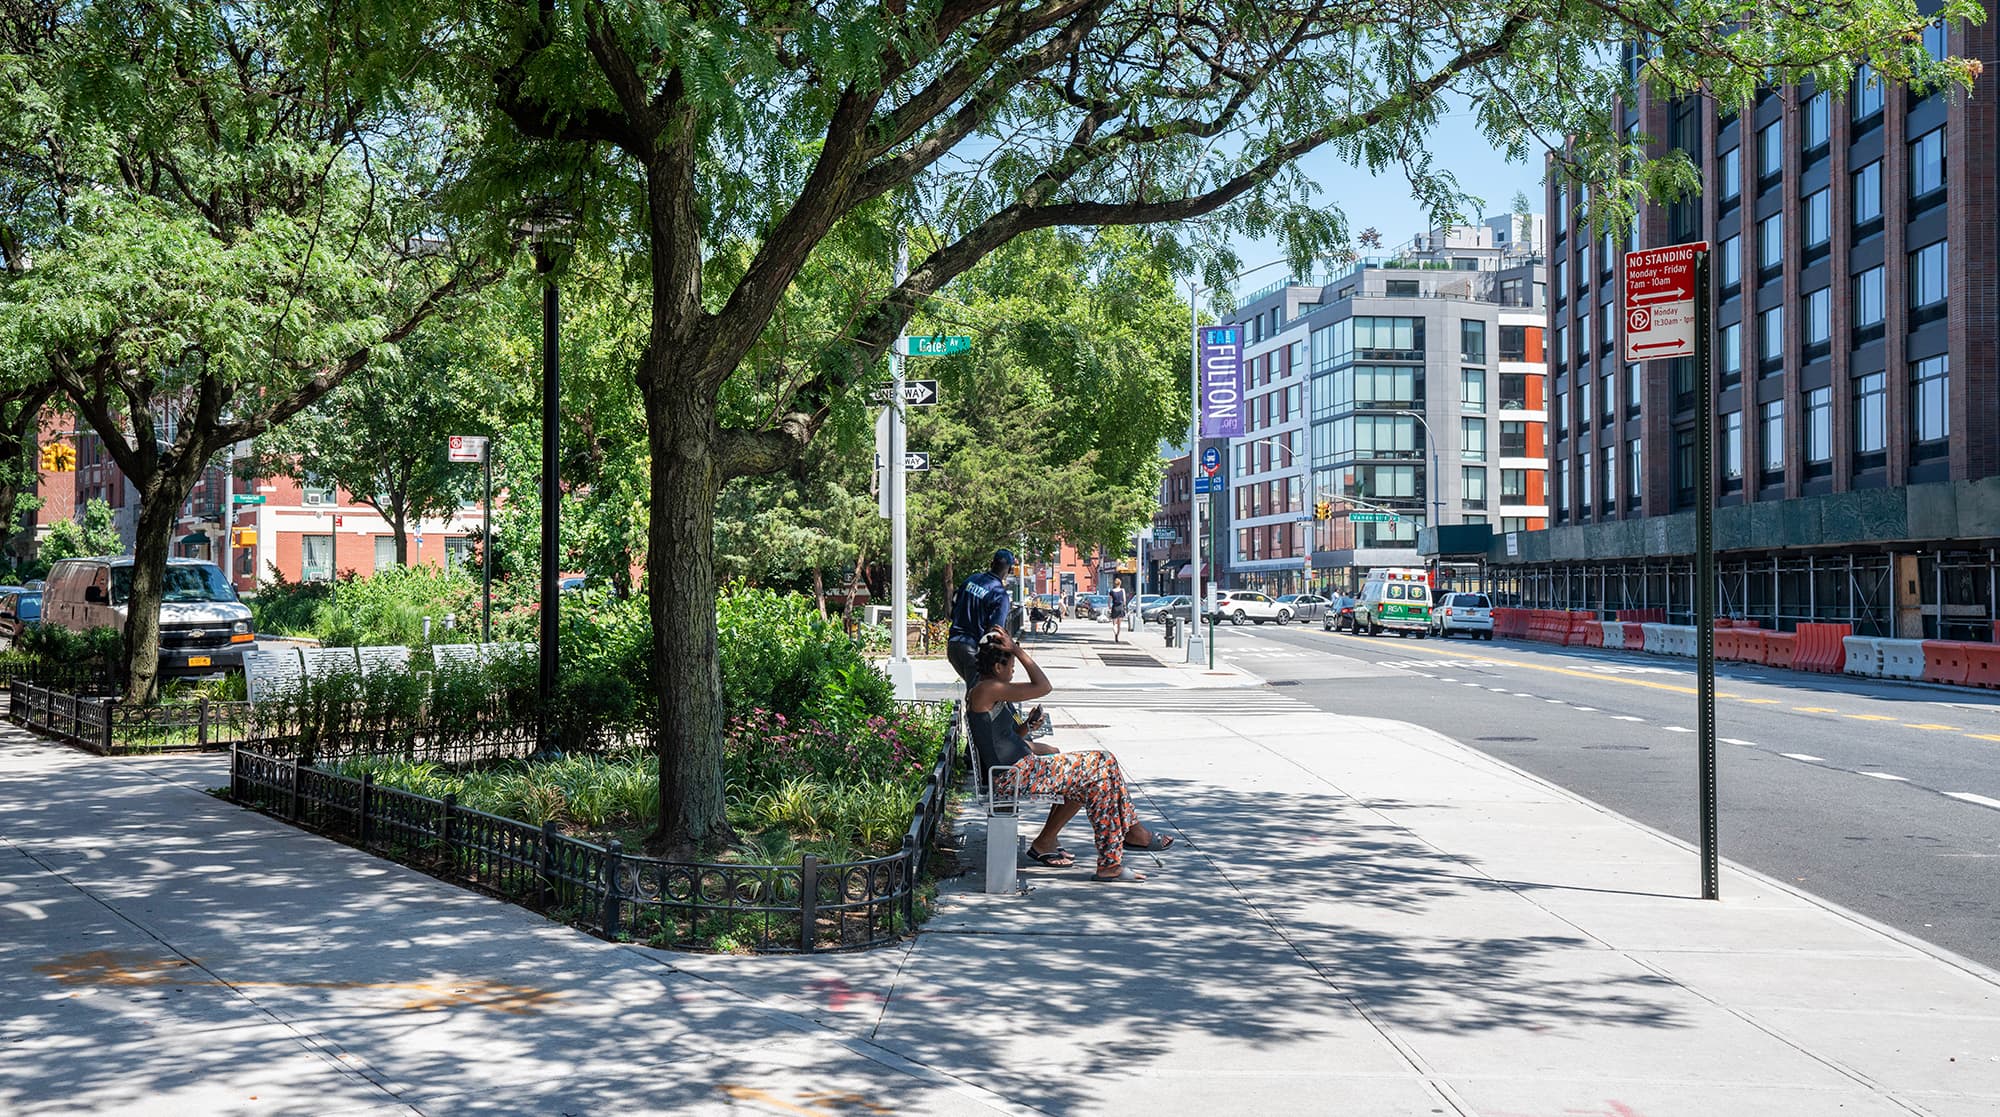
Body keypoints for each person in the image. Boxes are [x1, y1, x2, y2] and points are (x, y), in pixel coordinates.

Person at [966, 628, 1174, 881]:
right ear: (998, 667)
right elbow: (1044, 686)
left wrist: (1027, 728)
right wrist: (1019, 650)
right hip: (1014, 776)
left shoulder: (989, 689)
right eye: (1011, 665)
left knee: (1095, 785)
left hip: (1018, 771)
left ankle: (1111, 861)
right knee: (1103, 761)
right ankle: (1131, 833)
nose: (1013, 671)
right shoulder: (989, 689)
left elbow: (999, 741)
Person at [948, 550, 1016, 687]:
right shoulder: (1000, 595)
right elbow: (994, 632)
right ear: (1010, 569)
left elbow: (953, 607)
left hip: (953, 645)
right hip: (972, 649)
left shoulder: (971, 580)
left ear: (992, 564)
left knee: (976, 691)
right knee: (981, 696)